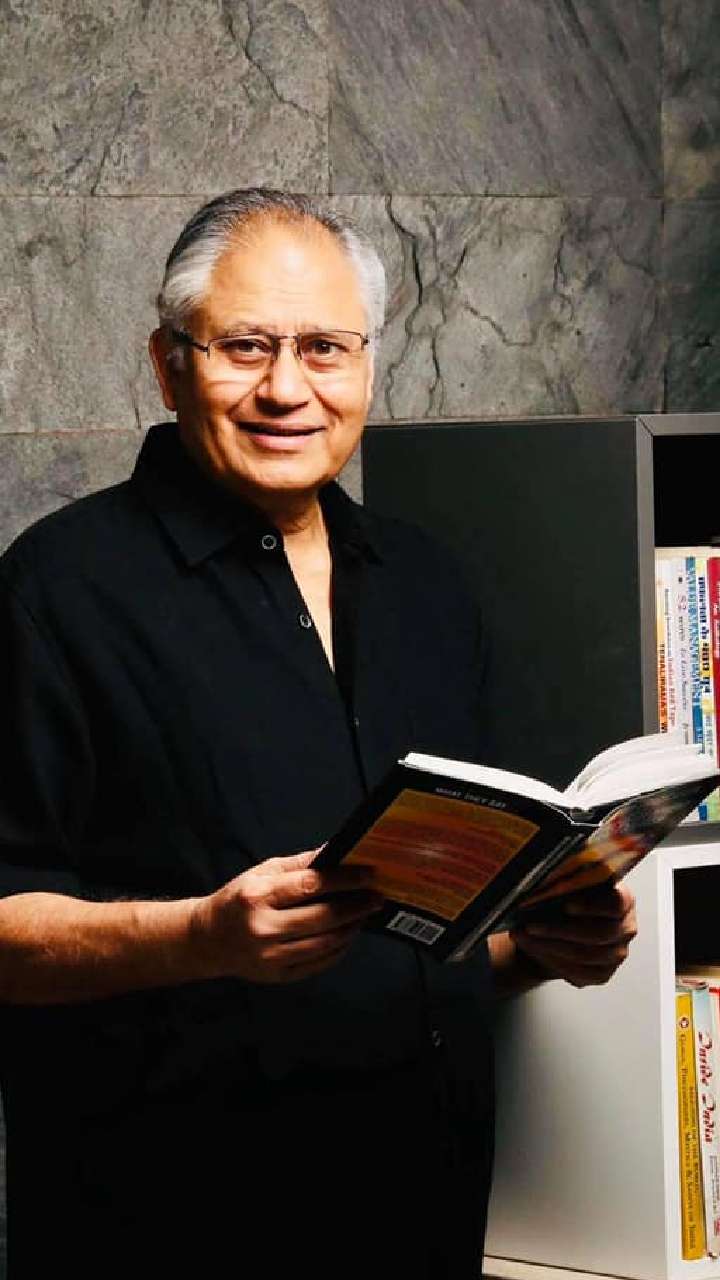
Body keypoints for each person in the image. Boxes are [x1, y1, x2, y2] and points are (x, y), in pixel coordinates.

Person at [0, 189, 637, 1280]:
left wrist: (544, 943)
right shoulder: (55, 590)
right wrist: (198, 936)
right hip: (164, 1233)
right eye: (245, 346)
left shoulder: (430, 586)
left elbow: (430, 944)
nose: (288, 388)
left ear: (368, 365)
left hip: (423, 1217)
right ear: (168, 364)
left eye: (325, 348)